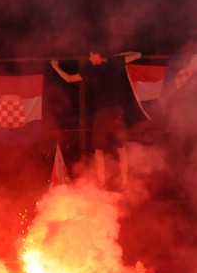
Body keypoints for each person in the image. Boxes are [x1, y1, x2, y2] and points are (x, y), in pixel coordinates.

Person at [50, 49, 142, 189]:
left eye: (91, 55)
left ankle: (102, 184)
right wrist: (118, 56)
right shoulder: (115, 62)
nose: (89, 58)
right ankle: (124, 184)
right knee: (122, 150)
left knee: (99, 151)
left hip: (102, 114)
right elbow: (137, 55)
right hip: (117, 112)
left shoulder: (93, 70)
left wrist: (55, 66)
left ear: (98, 55)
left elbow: (69, 78)